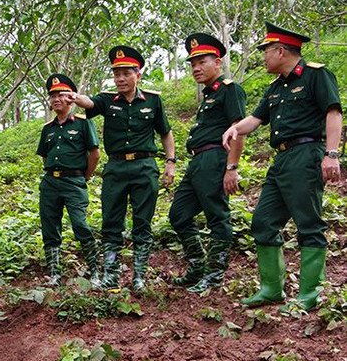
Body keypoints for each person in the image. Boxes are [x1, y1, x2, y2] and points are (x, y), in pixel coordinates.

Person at [222, 22, 342, 312]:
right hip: (282, 160)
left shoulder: (316, 75)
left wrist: (332, 154)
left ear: (280, 50)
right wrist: (234, 129)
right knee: (263, 222)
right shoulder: (275, 88)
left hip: (306, 154)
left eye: (265, 51)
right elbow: (255, 120)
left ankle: (311, 295)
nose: (263, 57)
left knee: (308, 224)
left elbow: (334, 112)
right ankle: (271, 289)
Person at [69, 46, 175, 293]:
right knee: (111, 221)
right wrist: (76, 97)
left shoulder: (153, 100)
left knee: (142, 222)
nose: (120, 79)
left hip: (144, 167)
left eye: (125, 73)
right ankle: (111, 275)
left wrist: (170, 162)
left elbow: (165, 133)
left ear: (137, 75)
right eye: (116, 74)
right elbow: (89, 102)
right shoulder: (107, 100)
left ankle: (139, 276)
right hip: (116, 167)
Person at [169, 33, 247, 293]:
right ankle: (197, 267)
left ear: (218, 62)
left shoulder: (229, 89)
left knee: (217, 216)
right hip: (197, 162)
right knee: (178, 214)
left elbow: (238, 129)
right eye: (192, 64)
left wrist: (231, 168)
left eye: (202, 62)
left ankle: (214, 275)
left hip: (215, 158)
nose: (196, 68)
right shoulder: (209, 95)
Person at [36, 74, 101, 286]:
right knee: (50, 227)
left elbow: (95, 154)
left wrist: (85, 176)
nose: (56, 99)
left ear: (70, 98)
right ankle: (54, 274)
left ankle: (96, 272)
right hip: (50, 183)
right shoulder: (48, 129)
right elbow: (45, 155)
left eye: (61, 95)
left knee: (80, 225)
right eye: (52, 95)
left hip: (74, 182)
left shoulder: (83, 123)